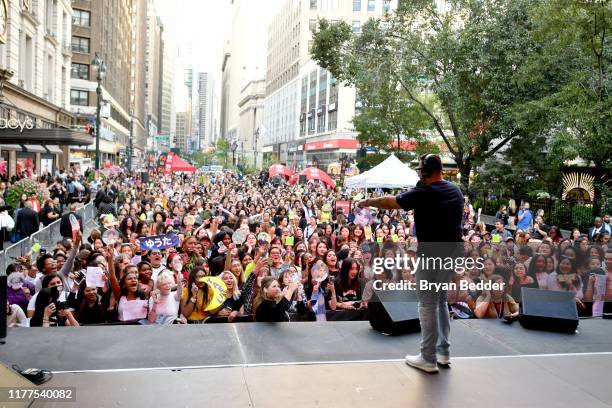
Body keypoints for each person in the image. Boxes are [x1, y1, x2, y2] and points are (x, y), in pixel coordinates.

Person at [356, 154, 463, 373]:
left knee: (427, 304)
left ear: (425, 171)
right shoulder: (455, 190)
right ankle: (443, 352)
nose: (418, 173)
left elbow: (391, 201)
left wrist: (367, 202)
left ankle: (428, 357)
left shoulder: (425, 193)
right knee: (441, 301)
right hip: (452, 252)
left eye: (420, 170)